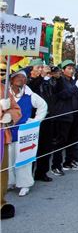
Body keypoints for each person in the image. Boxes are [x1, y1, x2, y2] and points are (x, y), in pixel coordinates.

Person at [8, 69, 48, 197]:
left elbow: (43, 106)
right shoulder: (4, 93)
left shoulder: (30, 95)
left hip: (23, 132)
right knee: (8, 158)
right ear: (12, 80)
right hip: (7, 131)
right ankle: (9, 182)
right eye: (18, 77)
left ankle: (25, 184)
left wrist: (35, 122)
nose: (21, 79)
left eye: (23, 77)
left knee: (23, 159)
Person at [51, 60, 78, 175]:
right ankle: (56, 165)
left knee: (72, 139)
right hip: (63, 115)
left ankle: (69, 162)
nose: (71, 71)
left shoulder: (74, 81)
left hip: (74, 113)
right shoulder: (60, 81)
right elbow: (63, 95)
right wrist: (76, 86)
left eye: (72, 69)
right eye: (69, 68)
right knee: (60, 141)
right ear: (63, 70)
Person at [26, 59, 56, 182]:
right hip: (33, 119)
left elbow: (54, 91)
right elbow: (31, 88)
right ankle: (28, 175)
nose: (40, 70)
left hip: (47, 117)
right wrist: (42, 77)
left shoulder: (45, 81)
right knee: (32, 148)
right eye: (38, 68)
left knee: (46, 146)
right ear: (31, 69)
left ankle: (42, 172)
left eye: (41, 68)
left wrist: (50, 78)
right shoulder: (27, 82)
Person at [0, 63, 22, 219]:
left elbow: (16, 109)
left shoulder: (3, 88)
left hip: (2, 135)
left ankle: (0, 201)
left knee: (2, 172)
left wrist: (10, 115)